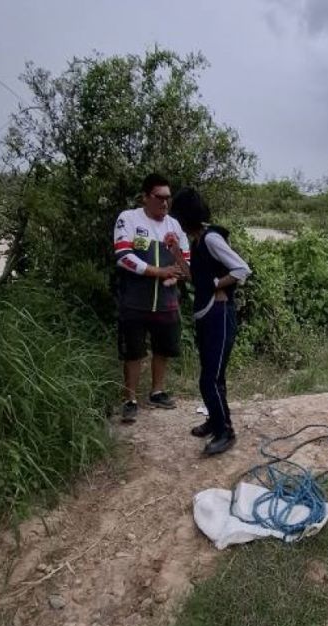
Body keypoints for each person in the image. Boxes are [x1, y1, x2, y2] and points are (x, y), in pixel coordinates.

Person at [169, 187, 252, 456]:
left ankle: (225, 430)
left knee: (210, 379)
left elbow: (241, 269)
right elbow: (195, 278)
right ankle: (215, 420)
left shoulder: (212, 239)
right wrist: (175, 253)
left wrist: (218, 283)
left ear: (184, 217)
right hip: (207, 315)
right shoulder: (197, 240)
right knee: (212, 374)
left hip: (219, 315)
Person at [113, 173, 191, 424]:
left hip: (167, 300)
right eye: (160, 198)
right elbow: (123, 256)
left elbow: (185, 260)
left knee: (163, 348)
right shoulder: (129, 219)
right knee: (133, 351)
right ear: (145, 197)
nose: (165, 204)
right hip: (135, 300)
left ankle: (157, 392)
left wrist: (177, 274)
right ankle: (130, 399)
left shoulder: (174, 226)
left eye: (168, 198)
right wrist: (157, 272)